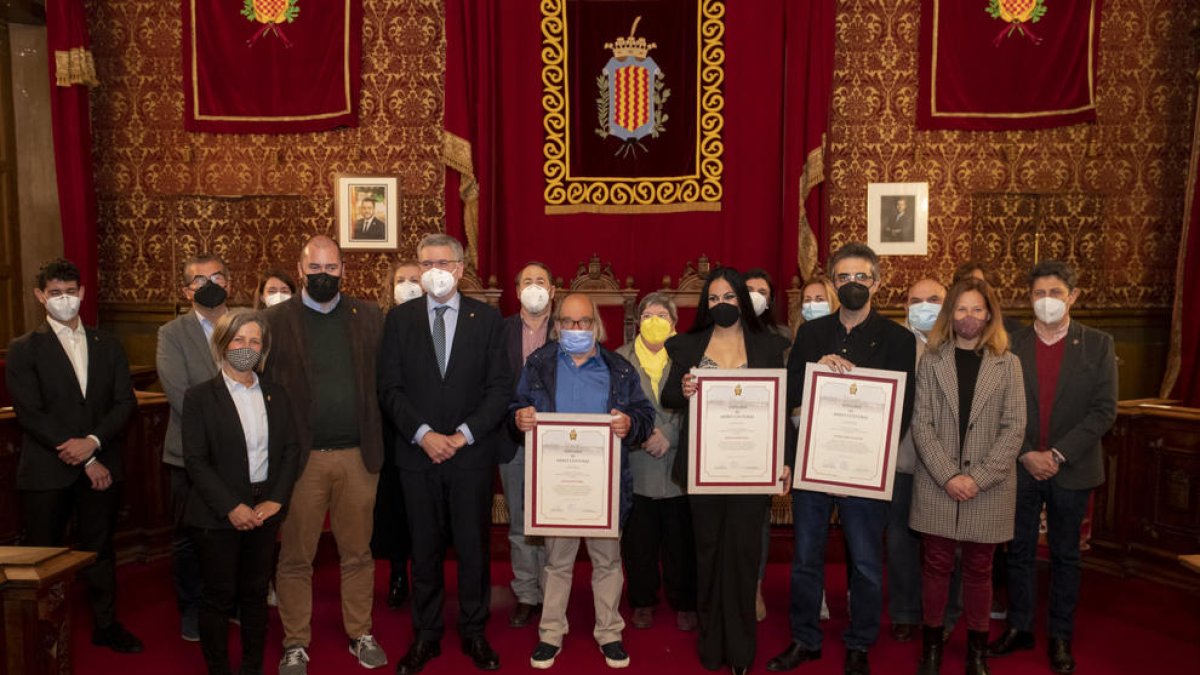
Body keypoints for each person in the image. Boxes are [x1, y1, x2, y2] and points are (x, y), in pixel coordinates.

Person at [770, 243, 916, 675]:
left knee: (868, 563)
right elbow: (792, 390)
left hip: (865, 470)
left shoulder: (898, 339)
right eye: (844, 278)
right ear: (833, 283)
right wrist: (818, 366)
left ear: (877, 281)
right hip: (815, 466)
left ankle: (859, 642)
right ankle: (805, 639)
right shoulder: (812, 335)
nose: (853, 285)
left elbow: (902, 407)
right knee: (806, 559)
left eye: (861, 277)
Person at [378, 233, 512, 674]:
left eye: (443, 261)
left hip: (470, 456)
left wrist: (461, 436)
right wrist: (423, 435)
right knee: (425, 548)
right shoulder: (399, 320)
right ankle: (427, 634)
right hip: (417, 457)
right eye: (426, 262)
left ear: (459, 268)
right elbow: (390, 388)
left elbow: (499, 389)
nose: (434, 270)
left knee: (474, 549)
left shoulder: (488, 320)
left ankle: (474, 631)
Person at [265, 235, 387, 675]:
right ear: (300, 271)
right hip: (302, 461)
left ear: (343, 270)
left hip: (358, 457)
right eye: (314, 269)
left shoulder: (369, 316)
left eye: (331, 269)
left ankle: (360, 632)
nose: (323, 276)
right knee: (296, 556)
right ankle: (296, 642)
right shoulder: (274, 320)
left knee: (358, 552)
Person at [512, 293, 655, 669]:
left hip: (602, 487)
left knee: (607, 564)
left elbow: (644, 414)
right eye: (569, 322)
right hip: (556, 487)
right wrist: (520, 417)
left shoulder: (619, 368)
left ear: (596, 324)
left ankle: (609, 633)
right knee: (556, 564)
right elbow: (516, 405)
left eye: (584, 322)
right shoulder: (539, 363)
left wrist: (631, 424)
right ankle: (550, 634)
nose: (577, 329)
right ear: (557, 325)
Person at [7, 258, 142, 653]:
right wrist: (84, 456)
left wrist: (94, 442)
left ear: (81, 293)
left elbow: (123, 403)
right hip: (48, 469)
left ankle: (106, 624)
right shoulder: (24, 349)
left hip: (102, 461)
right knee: (43, 552)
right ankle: (42, 633)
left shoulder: (109, 343)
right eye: (54, 293)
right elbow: (30, 413)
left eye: (70, 292)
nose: (63, 299)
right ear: (40, 296)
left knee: (99, 547)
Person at [989, 261, 1117, 674]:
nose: (1047, 301)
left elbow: (1103, 411)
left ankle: (1061, 635)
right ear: (1029, 299)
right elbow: (999, 407)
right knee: (1019, 552)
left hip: (1073, 468)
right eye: (1039, 294)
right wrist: (1026, 452)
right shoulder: (1009, 343)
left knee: (1065, 555)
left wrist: (1058, 454)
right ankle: (1019, 626)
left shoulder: (1097, 344)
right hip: (1021, 464)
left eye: (1056, 293)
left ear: (1073, 297)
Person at [662, 267, 791, 675]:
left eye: (729, 297)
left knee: (742, 557)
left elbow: (783, 409)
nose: (721, 304)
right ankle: (711, 644)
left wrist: (785, 459)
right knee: (709, 556)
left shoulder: (769, 346)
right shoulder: (687, 344)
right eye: (713, 299)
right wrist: (683, 388)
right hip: (705, 471)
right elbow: (668, 395)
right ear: (705, 304)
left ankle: (740, 651)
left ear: (743, 300)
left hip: (753, 472)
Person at [909, 278, 1025, 675]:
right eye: (961, 309)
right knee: (936, 567)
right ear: (949, 314)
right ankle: (932, 650)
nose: (969, 317)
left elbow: (1014, 428)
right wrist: (948, 476)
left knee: (979, 571)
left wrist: (977, 478)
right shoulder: (932, 359)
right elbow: (921, 424)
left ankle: (976, 651)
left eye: (977, 309)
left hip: (988, 487)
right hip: (938, 484)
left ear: (990, 314)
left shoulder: (1008, 363)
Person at [182, 309, 301, 675]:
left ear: (263, 349)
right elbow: (196, 461)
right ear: (222, 343)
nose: (246, 347)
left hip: (264, 511)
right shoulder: (200, 398)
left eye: (254, 341)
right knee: (218, 597)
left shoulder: (276, 395)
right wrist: (231, 506)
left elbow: (290, 451)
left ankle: (252, 667)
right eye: (238, 340)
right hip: (217, 516)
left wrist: (275, 500)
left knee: (254, 596)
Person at [614, 292, 698, 633]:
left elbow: (698, 406)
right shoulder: (619, 360)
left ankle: (684, 601)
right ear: (637, 321)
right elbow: (616, 406)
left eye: (661, 315)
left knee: (681, 542)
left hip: (678, 467)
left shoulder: (690, 358)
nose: (654, 321)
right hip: (638, 463)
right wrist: (645, 433)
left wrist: (669, 435)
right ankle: (643, 601)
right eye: (647, 315)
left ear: (674, 324)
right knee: (639, 543)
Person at [157, 253, 230, 642]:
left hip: (245, 456)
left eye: (217, 276)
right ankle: (192, 607)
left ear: (229, 283)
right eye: (200, 280)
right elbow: (180, 394)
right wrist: (226, 432)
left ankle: (229, 602)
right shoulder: (172, 333)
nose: (210, 284)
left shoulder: (249, 324)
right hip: (191, 455)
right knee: (191, 536)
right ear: (187, 290)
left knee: (237, 533)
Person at [888, 278, 958, 643]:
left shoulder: (960, 343)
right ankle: (904, 612)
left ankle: (945, 613)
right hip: (900, 462)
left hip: (947, 466)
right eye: (916, 300)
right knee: (900, 542)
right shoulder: (891, 343)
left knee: (945, 544)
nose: (925, 306)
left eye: (934, 299)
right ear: (905, 306)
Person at [500, 261, 556, 628]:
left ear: (553, 291)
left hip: (557, 442)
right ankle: (526, 594)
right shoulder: (499, 331)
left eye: (542, 280)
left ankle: (553, 595)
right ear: (518, 291)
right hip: (512, 439)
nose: (534, 287)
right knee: (520, 522)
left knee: (553, 523)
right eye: (527, 282)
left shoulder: (570, 330)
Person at [372, 259, 423, 611]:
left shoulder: (436, 322)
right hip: (390, 431)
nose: (407, 286)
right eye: (401, 280)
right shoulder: (378, 325)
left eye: (414, 280)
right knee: (394, 509)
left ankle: (425, 575)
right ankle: (397, 574)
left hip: (431, 433)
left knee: (425, 511)